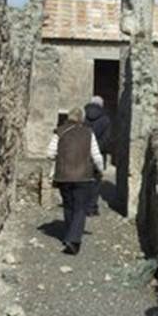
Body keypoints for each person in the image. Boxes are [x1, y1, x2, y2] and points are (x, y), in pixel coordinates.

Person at [46, 107, 104, 254]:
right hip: (83, 176)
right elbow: (96, 155)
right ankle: (74, 240)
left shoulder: (59, 131)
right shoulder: (88, 133)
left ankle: (69, 235)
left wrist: (62, 159)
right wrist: (100, 169)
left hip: (63, 176)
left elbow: (50, 153)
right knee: (80, 208)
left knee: (68, 205)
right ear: (81, 118)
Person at [83, 95, 112, 215]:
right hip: (99, 154)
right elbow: (107, 138)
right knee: (96, 181)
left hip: (84, 153)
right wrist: (98, 149)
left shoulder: (85, 118)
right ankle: (91, 207)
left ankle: (83, 206)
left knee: (85, 180)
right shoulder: (105, 119)